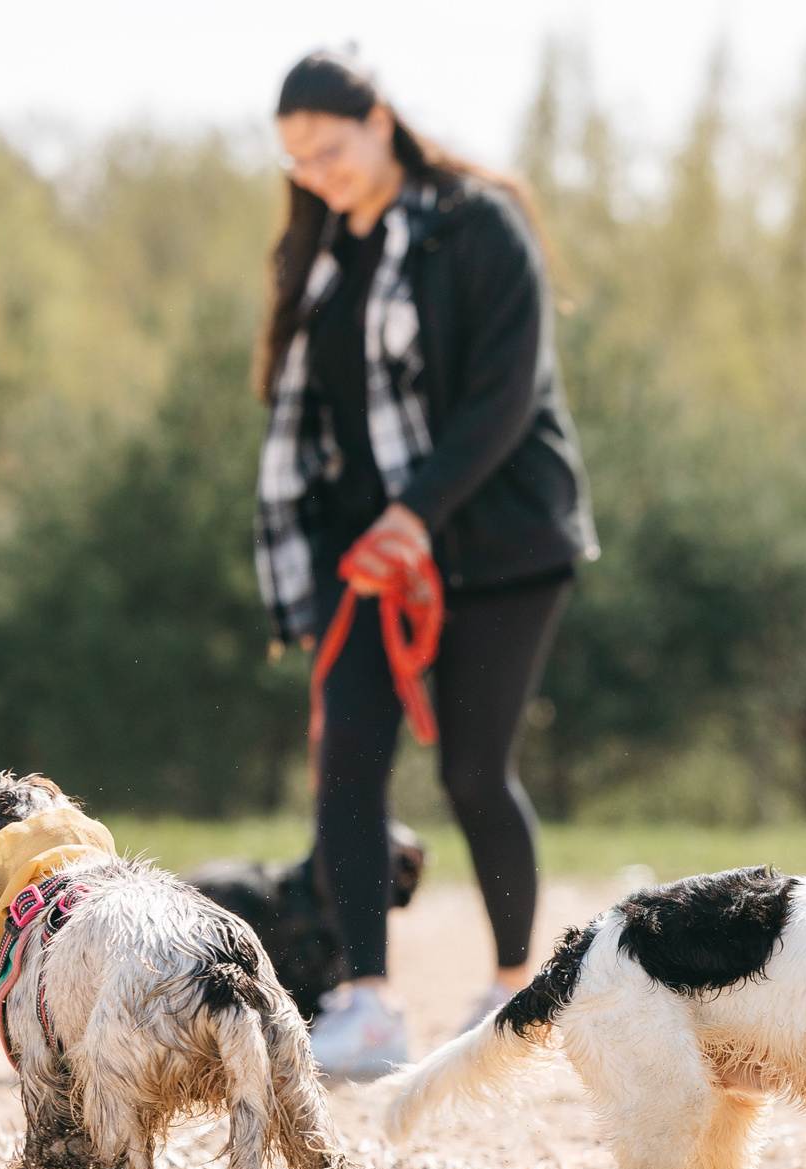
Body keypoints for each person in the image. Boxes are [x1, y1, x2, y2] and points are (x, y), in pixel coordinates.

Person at [254, 49, 596, 1077]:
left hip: (501, 540)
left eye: (331, 147)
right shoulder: (322, 256)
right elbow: (310, 423)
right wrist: (333, 550)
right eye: (298, 159)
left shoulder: (478, 224)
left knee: (471, 769)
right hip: (368, 559)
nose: (318, 171)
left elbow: (507, 393)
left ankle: (514, 992)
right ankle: (363, 1003)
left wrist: (419, 510)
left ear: (381, 119)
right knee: (345, 761)